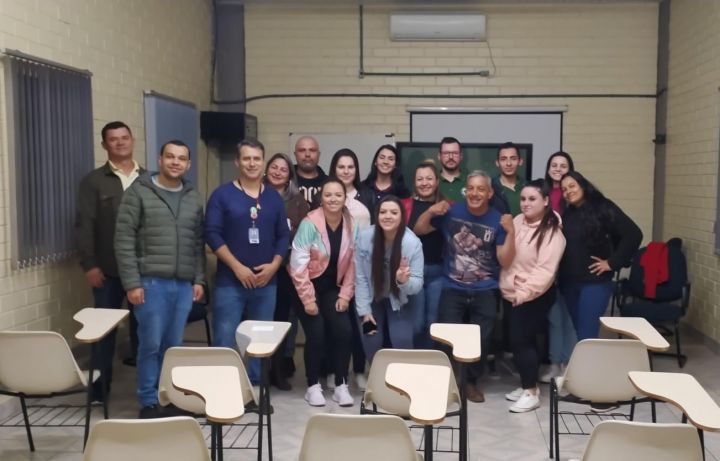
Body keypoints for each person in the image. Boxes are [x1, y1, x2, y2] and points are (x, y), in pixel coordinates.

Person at [114, 140, 205, 418]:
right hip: (150, 283)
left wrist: (199, 279)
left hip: (182, 284)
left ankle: (169, 396)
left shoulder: (192, 195)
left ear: (188, 164)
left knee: (173, 347)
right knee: (150, 345)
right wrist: (132, 283)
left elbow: (197, 242)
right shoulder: (139, 192)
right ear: (160, 159)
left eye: (181, 158)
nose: (175, 162)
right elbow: (123, 239)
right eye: (170, 157)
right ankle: (148, 401)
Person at [414, 171, 515, 403]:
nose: (475, 193)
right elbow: (420, 229)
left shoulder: (497, 219)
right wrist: (430, 211)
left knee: (481, 340)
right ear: (465, 191)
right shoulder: (451, 212)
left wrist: (511, 232)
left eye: (481, 189)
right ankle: (448, 382)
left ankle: (470, 382)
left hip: (486, 288)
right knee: (446, 338)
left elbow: (506, 261)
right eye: (471, 188)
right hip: (453, 286)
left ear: (489, 193)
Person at [205, 138, 290, 383]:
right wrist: (237, 267)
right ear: (237, 162)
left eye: (256, 158)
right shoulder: (222, 195)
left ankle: (255, 390)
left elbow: (283, 235)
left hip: (266, 283)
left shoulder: (273, 197)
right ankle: (224, 388)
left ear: (263, 162)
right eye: (246, 158)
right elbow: (212, 233)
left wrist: (274, 265)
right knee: (225, 338)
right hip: (230, 282)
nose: (252, 163)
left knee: (260, 342)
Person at [76, 121, 144, 402]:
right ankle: (99, 391)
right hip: (107, 270)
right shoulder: (94, 181)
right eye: (113, 140)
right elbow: (84, 225)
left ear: (133, 140)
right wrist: (89, 265)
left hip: (144, 270)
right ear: (104, 145)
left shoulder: (149, 178)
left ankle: (146, 390)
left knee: (144, 330)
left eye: (124, 138)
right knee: (104, 331)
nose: (120, 143)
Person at [288, 179, 358, 407]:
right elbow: (297, 264)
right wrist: (308, 299)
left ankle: (340, 385)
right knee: (316, 333)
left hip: (333, 288)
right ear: (321, 197)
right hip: (306, 286)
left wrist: (345, 295)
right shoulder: (310, 223)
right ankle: (312, 386)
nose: (333, 199)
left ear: (344, 197)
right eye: (328, 195)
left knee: (344, 331)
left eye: (338, 195)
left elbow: (354, 264)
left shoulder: (352, 224)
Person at [500, 180, 566, 413]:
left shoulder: (552, 233)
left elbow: (545, 271)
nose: (526, 203)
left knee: (522, 341)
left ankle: (531, 392)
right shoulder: (517, 221)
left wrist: (525, 293)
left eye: (532, 199)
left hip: (532, 295)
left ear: (546, 201)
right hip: (511, 293)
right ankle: (525, 383)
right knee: (517, 341)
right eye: (523, 199)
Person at [558, 171, 642, 340]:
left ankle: (587, 366)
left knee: (587, 334)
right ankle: (583, 365)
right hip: (568, 283)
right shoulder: (566, 214)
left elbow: (633, 234)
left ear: (583, 185)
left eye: (572, 186)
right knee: (578, 331)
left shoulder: (603, 207)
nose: (568, 191)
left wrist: (612, 263)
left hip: (594, 283)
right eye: (564, 189)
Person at [355, 196, 424, 363]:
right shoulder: (365, 238)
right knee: (370, 337)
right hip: (372, 298)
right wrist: (365, 312)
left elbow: (417, 284)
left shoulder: (411, 243)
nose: (387, 216)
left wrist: (403, 281)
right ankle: (377, 378)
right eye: (383, 212)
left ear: (402, 217)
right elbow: (361, 277)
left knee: (402, 340)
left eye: (394, 212)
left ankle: (403, 383)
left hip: (400, 298)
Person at [263, 153, 310, 390]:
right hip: (258, 269)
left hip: (286, 270)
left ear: (290, 176)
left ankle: (278, 370)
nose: (278, 172)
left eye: (284, 169)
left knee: (281, 322)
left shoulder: (299, 202)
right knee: (261, 322)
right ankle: (257, 372)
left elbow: (304, 236)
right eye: (274, 167)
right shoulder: (256, 194)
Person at [328, 148, 372, 389]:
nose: (346, 171)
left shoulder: (366, 197)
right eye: (341, 167)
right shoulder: (327, 195)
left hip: (362, 272)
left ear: (356, 170)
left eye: (350, 167)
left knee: (360, 325)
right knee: (337, 325)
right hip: (332, 273)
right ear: (334, 169)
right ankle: (336, 371)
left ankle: (359, 370)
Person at [539, 151, 578, 383]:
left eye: (563, 165)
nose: (558, 169)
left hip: (571, 263)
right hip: (547, 263)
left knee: (570, 317)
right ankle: (554, 364)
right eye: (554, 164)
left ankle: (569, 365)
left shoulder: (573, 195)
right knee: (554, 317)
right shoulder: (542, 193)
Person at [401, 160, 445, 348]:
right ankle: (417, 365)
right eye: (420, 179)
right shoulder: (404, 206)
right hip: (413, 273)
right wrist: (430, 211)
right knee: (416, 324)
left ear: (436, 182)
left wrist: (434, 209)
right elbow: (415, 231)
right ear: (414, 182)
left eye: (429, 178)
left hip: (439, 272)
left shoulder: (446, 207)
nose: (424, 183)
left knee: (433, 324)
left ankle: (431, 366)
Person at [361, 145, 410, 217]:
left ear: (395, 165)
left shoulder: (402, 192)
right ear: (375, 162)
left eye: (391, 159)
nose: (386, 162)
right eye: (382, 157)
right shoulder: (363, 188)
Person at [491, 142, 526, 216]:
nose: (509, 163)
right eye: (503, 159)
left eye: (513, 159)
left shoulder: (529, 187)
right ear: (497, 163)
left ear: (520, 161)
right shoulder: (490, 187)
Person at [294, 136, 327, 206]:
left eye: (312, 150)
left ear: (319, 154)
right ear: (295, 154)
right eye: (302, 150)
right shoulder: (285, 181)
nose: (307, 154)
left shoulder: (329, 183)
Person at [437, 136, 467, 202]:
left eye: (455, 153)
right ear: (439, 156)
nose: (451, 157)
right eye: (446, 153)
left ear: (461, 156)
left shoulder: (471, 180)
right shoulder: (431, 181)